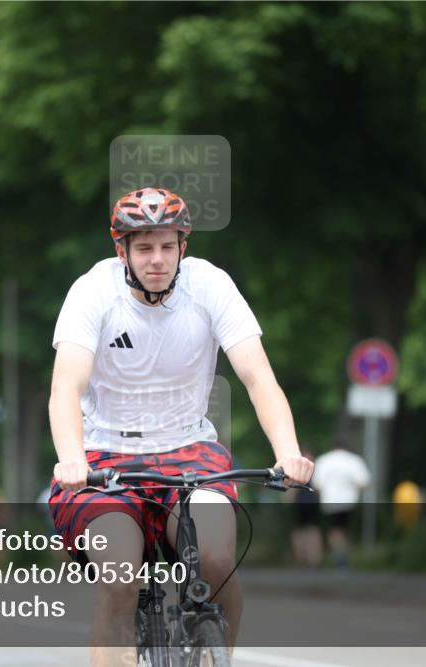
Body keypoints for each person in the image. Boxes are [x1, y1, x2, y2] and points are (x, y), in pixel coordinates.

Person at [47, 187, 313, 667]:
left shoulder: (210, 286)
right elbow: (66, 385)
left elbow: (258, 377)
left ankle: (215, 656)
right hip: (103, 458)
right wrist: (72, 459)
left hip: (189, 451)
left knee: (215, 561)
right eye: (144, 247)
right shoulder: (93, 291)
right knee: (120, 578)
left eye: (168, 246)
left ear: (183, 248)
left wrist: (287, 451)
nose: (157, 259)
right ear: (121, 250)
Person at [310, 441, 370, 570]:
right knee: (344, 529)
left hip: (330, 501)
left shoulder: (324, 460)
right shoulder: (354, 460)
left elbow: (317, 485)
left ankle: (340, 557)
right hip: (349, 501)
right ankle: (343, 556)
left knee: (334, 530)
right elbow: (363, 483)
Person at [291, 447, 322, 566]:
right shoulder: (316, 468)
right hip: (311, 502)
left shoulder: (297, 468)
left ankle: (304, 557)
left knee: (301, 530)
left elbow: (292, 487)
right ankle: (313, 557)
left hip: (301, 503)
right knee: (311, 529)